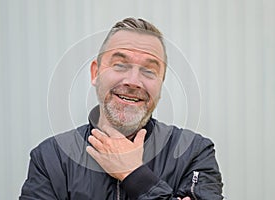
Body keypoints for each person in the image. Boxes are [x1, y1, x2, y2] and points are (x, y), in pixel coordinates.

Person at [20, 17, 223, 200]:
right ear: (95, 73)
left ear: (161, 82)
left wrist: (134, 173)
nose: (134, 81)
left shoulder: (194, 152)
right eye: (120, 65)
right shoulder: (50, 158)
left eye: (149, 70)